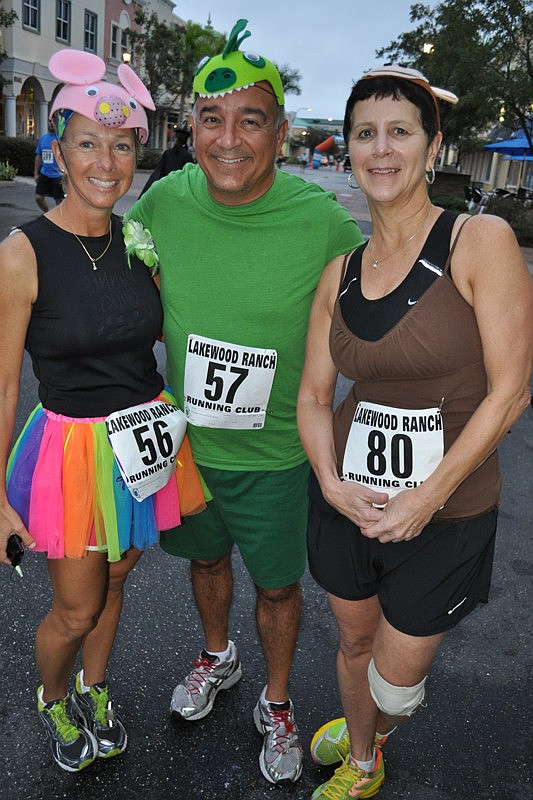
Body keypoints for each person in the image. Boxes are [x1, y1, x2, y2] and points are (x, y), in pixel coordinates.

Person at [125, 18, 363, 785]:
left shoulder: (319, 219)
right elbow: (125, 287)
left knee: (278, 585)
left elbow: (376, 299)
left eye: (249, 120)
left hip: (277, 455)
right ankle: (215, 656)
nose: (228, 139)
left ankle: (279, 698)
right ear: (189, 125)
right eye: (211, 119)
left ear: (281, 131)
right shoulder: (162, 202)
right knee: (203, 564)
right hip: (189, 446)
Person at [297, 64, 533, 799]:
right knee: (353, 640)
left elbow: (511, 390)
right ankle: (363, 759)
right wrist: (332, 485)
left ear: (432, 147)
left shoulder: (478, 240)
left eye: (399, 131)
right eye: (364, 133)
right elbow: (311, 395)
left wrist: (426, 498)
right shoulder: (337, 271)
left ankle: (376, 716)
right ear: (347, 147)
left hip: (448, 508)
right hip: (348, 503)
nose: (380, 149)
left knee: (394, 682)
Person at [0, 49, 205, 773]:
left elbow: (156, 330)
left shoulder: (139, 240)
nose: (107, 161)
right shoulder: (22, 253)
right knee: (76, 607)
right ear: (58, 151)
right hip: (73, 453)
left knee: (117, 579)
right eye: (87, 141)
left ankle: (95, 685)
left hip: (146, 441)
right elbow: (1, 386)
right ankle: (53, 694)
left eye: (121, 145)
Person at [139, 127, 194, 196]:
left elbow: (159, 172)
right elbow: (191, 178)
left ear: (176, 138)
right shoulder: (187, 156)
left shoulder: (168, 153)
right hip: (180, 192)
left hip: (166, 188)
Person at [34, 121, 65, 212]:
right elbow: (38, 156)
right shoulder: (43, 138)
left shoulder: (60, 139)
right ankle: (47, 214)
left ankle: (59, 222)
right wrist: (36, 173)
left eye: (53, 122)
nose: (51, 124)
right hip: (45, 174)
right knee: (38, 197)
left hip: (58, 176)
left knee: (59, 202)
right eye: (49, 122)